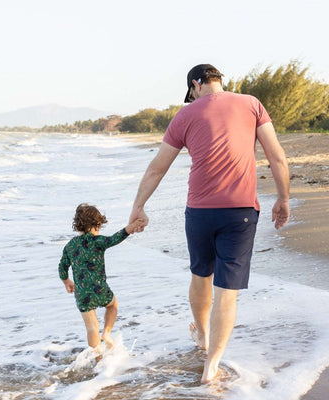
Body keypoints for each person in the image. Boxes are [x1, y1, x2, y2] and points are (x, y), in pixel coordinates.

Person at [129, 64, 290, 383]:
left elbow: (156, 169)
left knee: (201, 274)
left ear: (195, 84)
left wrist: (138, 207)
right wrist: (283, 198)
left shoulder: (185, 115)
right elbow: (277, 157)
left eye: (191, 93)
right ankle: (212, 365)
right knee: (226, 292)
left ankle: (202, 335)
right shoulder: (252, 104)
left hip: (199, 212)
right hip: (240, 212)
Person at [59, 203, 143, 353]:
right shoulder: (98, 242)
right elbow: (116, 238)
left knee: (92, 328)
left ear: (77, 226)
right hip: (100, 289)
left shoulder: (70, 246)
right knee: (112, 305)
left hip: (82, 294)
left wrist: (67, 282)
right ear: (97, 224)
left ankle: (97, 360)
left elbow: (62, 267)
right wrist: (130, 227)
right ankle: (107, 333)